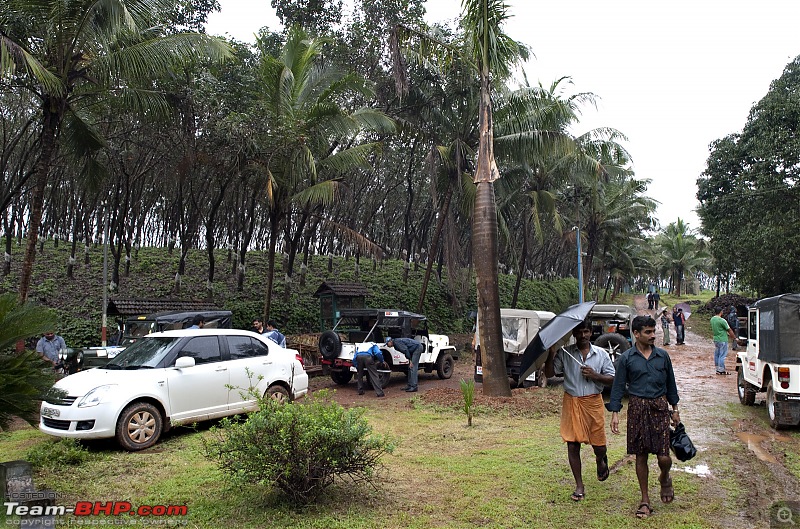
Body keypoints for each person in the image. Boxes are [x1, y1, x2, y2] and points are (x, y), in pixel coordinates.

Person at [607, 315, 680, 519]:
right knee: (641, 455)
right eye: (647, 332)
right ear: (636, 334)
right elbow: (618, 387)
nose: (652, 335)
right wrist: (615, 413)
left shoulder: (663, 356)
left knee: (664, 455)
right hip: (637, 408)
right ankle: (645, 500)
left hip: (659, 407)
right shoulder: (627, 358)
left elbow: (671, 384)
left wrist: (675, 409)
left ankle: (665, 477)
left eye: (653, 331)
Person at [544, 319, 615, 502]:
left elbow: (612, 379)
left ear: (591, 333)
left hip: (593, 402)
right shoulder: (565, 353)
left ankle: (600, 460)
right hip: (572, 402)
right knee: (572, 444)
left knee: (599, 446)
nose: (583, 335)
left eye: (586, 332)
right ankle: (579, 485)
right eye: (579, 332)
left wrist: (595, 375)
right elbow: (551, 374)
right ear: (573, 334)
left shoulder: (601, 354)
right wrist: (551, 353)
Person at [711, 306, 737, 375]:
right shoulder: (722, 320)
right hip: (722, 339)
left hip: (716, 339)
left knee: (717, 354)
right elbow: (729, 330)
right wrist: (735, 338)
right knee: (722, 355)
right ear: (721, 312)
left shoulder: (712, 319)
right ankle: (721, 370)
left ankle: (717, 369)